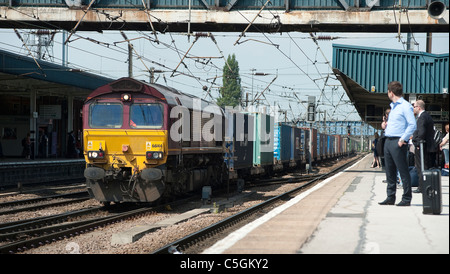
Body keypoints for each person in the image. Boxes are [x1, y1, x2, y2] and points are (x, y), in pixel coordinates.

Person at [379, 81, 417, 207]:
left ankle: (406, 198)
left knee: (403, 170)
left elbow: (412, 124)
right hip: (388, 141)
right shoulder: (393, 106)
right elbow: (398, 124)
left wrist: (402, 139)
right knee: (389, 171)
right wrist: (386, 126)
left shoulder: (405, 106)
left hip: (398, 142)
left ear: (391, 92)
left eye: (388, 91)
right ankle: (390, 197)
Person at [411, 100, 435, 193]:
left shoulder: (422, 117)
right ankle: (424, 186)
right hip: (426, 146)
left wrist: (417, 143)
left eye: (414, 107)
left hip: (422, 146)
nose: (413, 108)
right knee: (424, 166)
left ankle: (421, 187)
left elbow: (421, 132)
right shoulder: (427, 116)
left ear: (419, 107)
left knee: (421, 166)